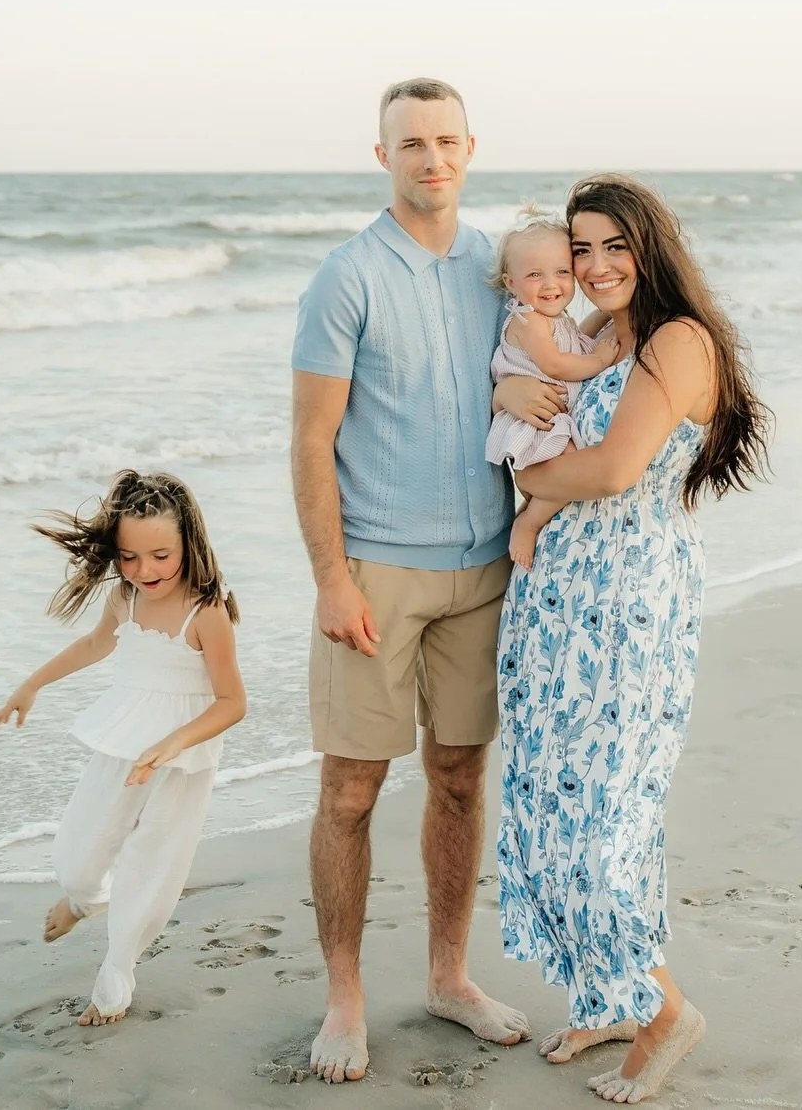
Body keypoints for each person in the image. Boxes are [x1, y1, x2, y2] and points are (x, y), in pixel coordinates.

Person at [496, 174, 770, 1104]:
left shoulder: (678, 341)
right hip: (562, 597)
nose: (596, 263)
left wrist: (531, 497)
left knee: (606, 811)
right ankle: (606, 991)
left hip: (626, 603)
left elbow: (614, 468)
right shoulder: (608, 339)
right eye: (581, 247)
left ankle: (662, 1011)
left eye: (615, 244)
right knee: (551, 793)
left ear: (651, 247)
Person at [292, 78, 542, 1085]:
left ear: (471, 148)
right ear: (382, 154)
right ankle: (344, 995)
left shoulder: (501, 266)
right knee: (351, 787)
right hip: (376, 573)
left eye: (446, 140)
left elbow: (554, 365)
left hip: (484, 569)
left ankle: (449, 975)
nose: (430, 157)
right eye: (411, 142)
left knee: (459, 776)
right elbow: (311, 442)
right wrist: (329, 579)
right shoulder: (346, 276)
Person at [0, 469, 245, 1027]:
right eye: (129, 556)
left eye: (159, 555)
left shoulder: (208, 612)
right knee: (79, 855)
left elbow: (231, 702)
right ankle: (85, 900)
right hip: (123, 738)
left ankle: (115, 978)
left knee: (152, 866)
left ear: (188, 543)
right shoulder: (122, 598)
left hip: (183, 756)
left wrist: (170, 745)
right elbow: (92, 645)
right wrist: (31, 685)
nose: (143, 570)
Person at [485, 218, 620, 567]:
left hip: (550, 413)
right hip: (537, 419)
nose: (550, 285)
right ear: (510, 283)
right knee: (572, 460)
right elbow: (557, 364)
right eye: (534, 275)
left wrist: (605, 313)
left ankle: (535, 513)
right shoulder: (528, 321)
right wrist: (600, 360)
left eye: (562, 272)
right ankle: (528, 522)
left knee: (569, 464)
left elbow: (579, 340)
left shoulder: (556, 320)